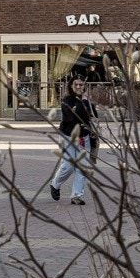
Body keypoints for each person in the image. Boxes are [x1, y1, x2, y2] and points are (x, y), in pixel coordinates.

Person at [50, 76, 97, 206]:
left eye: (81, 85)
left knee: (82, 167)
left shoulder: (86, 100)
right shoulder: (67, 100)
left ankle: (77, 196)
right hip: (67, 136)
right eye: (76, 84)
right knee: (68, 166)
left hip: (84, 137)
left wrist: (86, 101)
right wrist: (83, 102)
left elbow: (92, 115)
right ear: (71, 86)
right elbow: (72, 117)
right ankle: (55, 184)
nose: (78, 87)